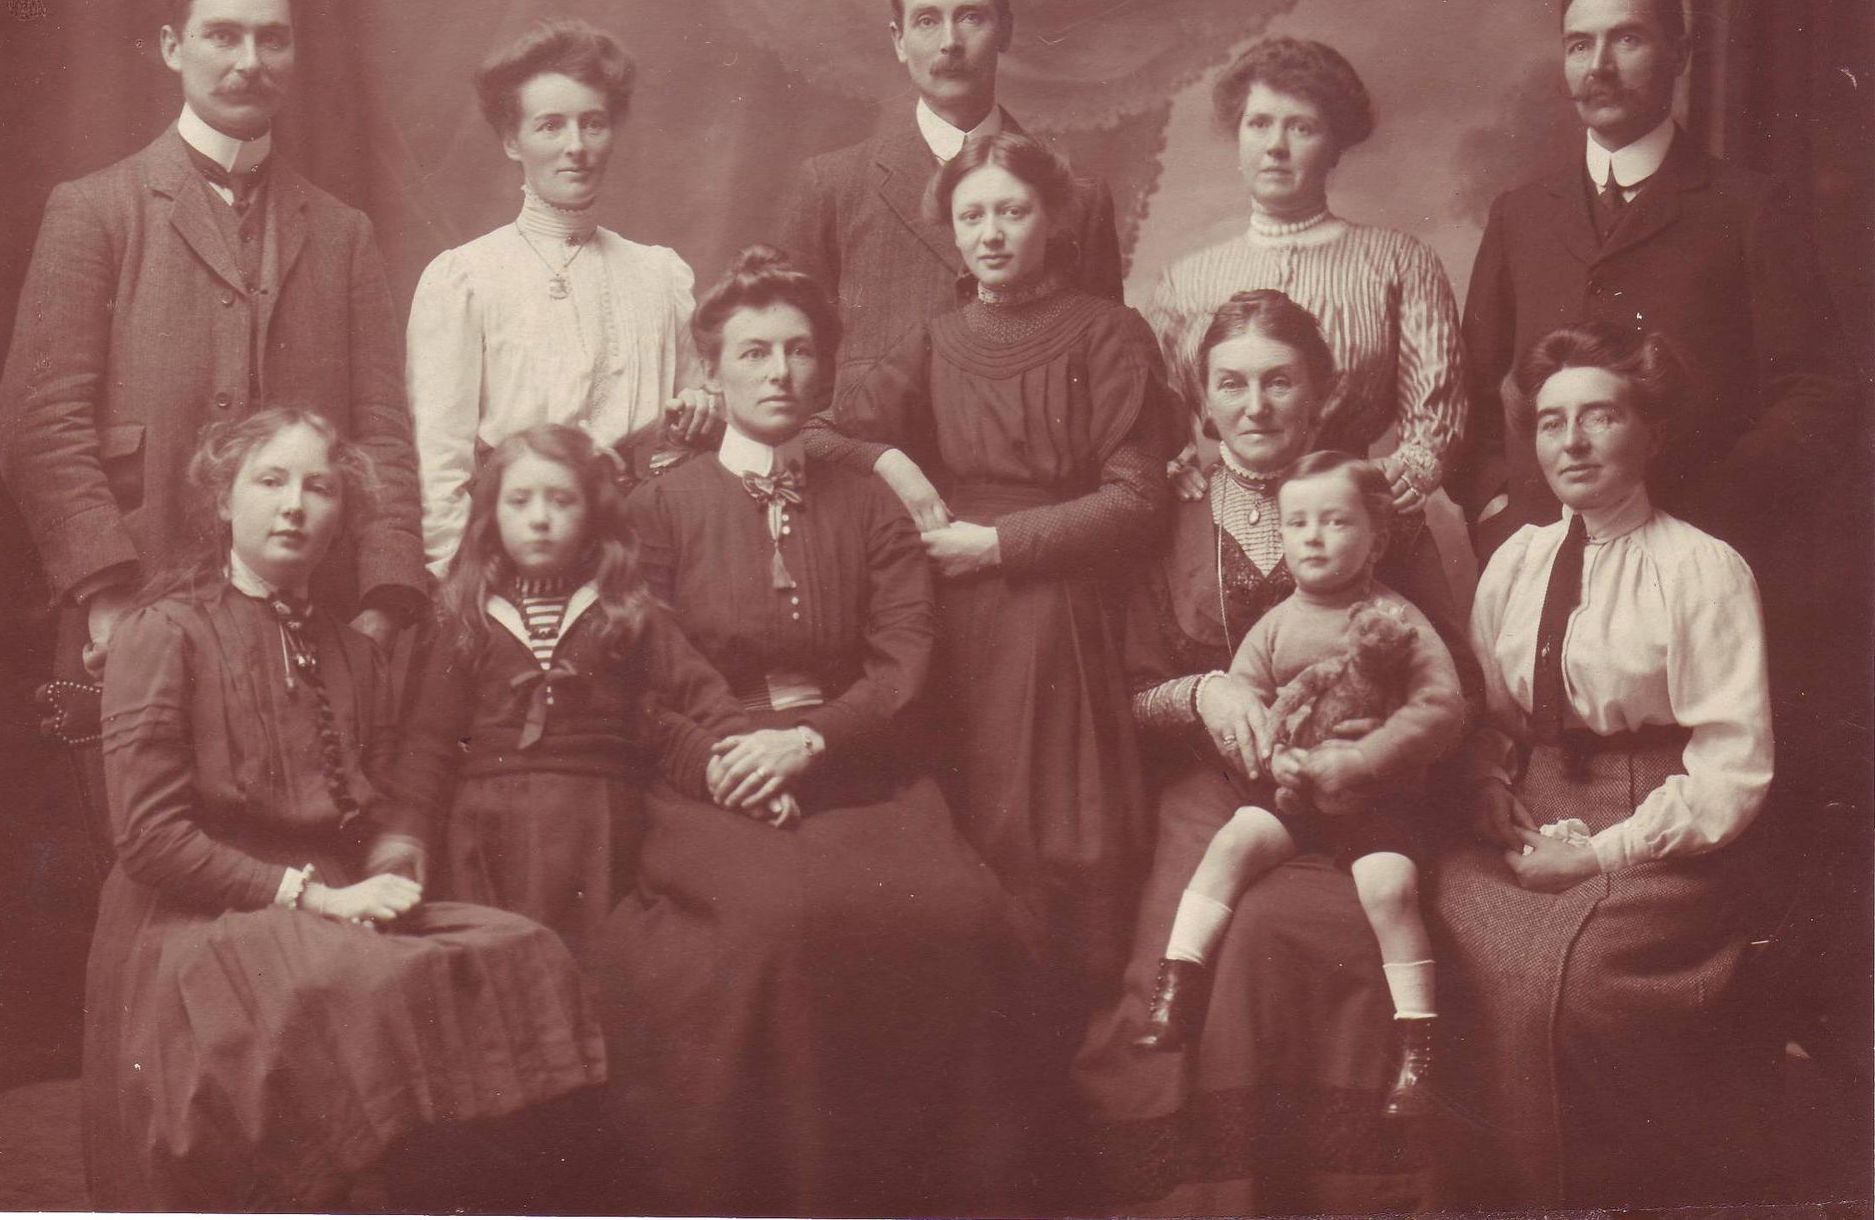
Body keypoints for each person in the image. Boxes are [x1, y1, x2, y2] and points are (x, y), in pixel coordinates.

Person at [596, 246, 1037, 1217]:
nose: (779, 372)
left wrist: (811, 743)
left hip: (853, 761)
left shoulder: (870, 503)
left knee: (960, 912)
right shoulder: (657, 506)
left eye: (799, 350)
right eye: (753, 353)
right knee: (779, 924)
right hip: (715, 778)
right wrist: (722, 761)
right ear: (712, 370)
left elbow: (905, 665)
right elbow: (640, 681)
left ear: (826, 367)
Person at [81, 407, 604, 1212]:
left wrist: (387, 869)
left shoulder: (354, 651)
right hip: (196, 918)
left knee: (518, 949)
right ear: (223, 499)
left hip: (332, 901)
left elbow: (382, 803)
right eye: (270, 481)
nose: (294, 505)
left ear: (342, 516)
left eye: (319, 488)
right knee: (353, 986)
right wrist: (315, 897)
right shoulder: (165, 630)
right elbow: (151, 839)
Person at [1075, 291, 1448, 1215]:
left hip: (1367, 789)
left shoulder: (1382, 512)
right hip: (1212, 787)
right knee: (1205, 950)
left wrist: (1375, 759)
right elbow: (1125, 692)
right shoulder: (1165, 514)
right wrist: (1206, 692)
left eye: (1280, 382)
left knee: (1337, 935)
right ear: (1201, 398)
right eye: (1231, 384)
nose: (1255, 406)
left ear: (1322, 392)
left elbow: (1450, 681)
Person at [807, 131, 1176, 1019]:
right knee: (957, 831)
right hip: (952, 612)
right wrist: (891, 461)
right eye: (973, 216)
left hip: (1060, 611)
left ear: (1053, 219)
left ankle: (1061, 1050)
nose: (992, 233)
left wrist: (1002, 546)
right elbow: (816, 433)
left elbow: (1137, 502)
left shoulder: (1109, 332)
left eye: (1012, 211)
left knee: (1054, 840)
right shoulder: (935, 340)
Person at [0, 0, 424, 699]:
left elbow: (382, 434)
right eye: (223, 35)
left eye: (272, 38)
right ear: (173, 47)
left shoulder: (342, 232)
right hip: (134, 607)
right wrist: (105, 593)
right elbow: (39, 424)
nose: (250, 62)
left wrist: (385, 600)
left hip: (316, 625)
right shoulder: (95, 210)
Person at [1432, 320, 1775, 1210]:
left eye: (1601, 416)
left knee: (1569, 980)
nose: (1573, 442)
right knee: (1442, 928)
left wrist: (1599, 853)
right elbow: (1493, 717)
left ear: (1651, 432)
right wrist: (1488, 784)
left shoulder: (1701, 569)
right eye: (1552, 422)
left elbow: (1733, 767)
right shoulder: (1517, 560)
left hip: (1661, 823)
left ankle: (1594, 1194)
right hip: (1531, 802)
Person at [1450, 0, 1849, 563]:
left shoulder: (1750, 207)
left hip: (1700, 548)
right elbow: (1473, 387)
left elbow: (1818, 391)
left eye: (1627, 39)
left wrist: (1722, 510)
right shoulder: (1519, 214)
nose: (1599, 67)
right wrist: (1497, 501)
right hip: (1541, 551)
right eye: (1579, 45)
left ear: (1680, 53)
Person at [1131, 452, 1462, 1121]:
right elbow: (1248, 700)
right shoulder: (1278, 623)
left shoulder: (1394, 620)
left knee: (1389, 888)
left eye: (1335, 522)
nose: (1313, 537)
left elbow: (1441, 706)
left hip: (1378, 795)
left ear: (1376, 537)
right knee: (1232, 844)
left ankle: (1417, 1050)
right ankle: (1177, 990)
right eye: (1298, 523)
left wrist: (1366, 759)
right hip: (1296, 791)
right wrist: (1273, 758)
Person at [395, 424, 756, 974]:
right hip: (487, 832)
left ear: (593, 516)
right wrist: (404, 837)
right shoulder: (463, 618)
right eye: (519, 501)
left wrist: (749, 760)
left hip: (599, 826)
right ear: (491, 515)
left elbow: (701, 694)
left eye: (562, 500)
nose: (540, 518)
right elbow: (429, 742)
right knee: (502, 971)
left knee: (596, 971)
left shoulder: (627, 612)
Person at [407, 20, 719, 576]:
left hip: (643, 553)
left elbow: (692, 435)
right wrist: (455, 580)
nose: (576, 147)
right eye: (550, 126)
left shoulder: (660, 275)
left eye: (592, 124)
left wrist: (699, 412)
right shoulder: (465, 278)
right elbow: (440, 461)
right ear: (512, 141)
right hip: (512, 555)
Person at [774, 0, 1125, 408]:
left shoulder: (1078, 194)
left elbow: (1108, 372)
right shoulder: (834, 186)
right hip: (873, 452)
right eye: (926, 21)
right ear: (899, 41)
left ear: (1005, 31)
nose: (950, 43)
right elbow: (795, 361)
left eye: (970, 17)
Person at [1141, 35, 1466, 523]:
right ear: (1238, 137)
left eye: (1301, 127)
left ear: (1335, 146)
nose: (1276, 146)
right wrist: (1170, 463)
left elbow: (1433, 416)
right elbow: (1159, 417)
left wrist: (1407, 472)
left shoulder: (1400, 262)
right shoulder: (1184, 282)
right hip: (1224, 520)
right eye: (1259, 124)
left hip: (1358, 516)